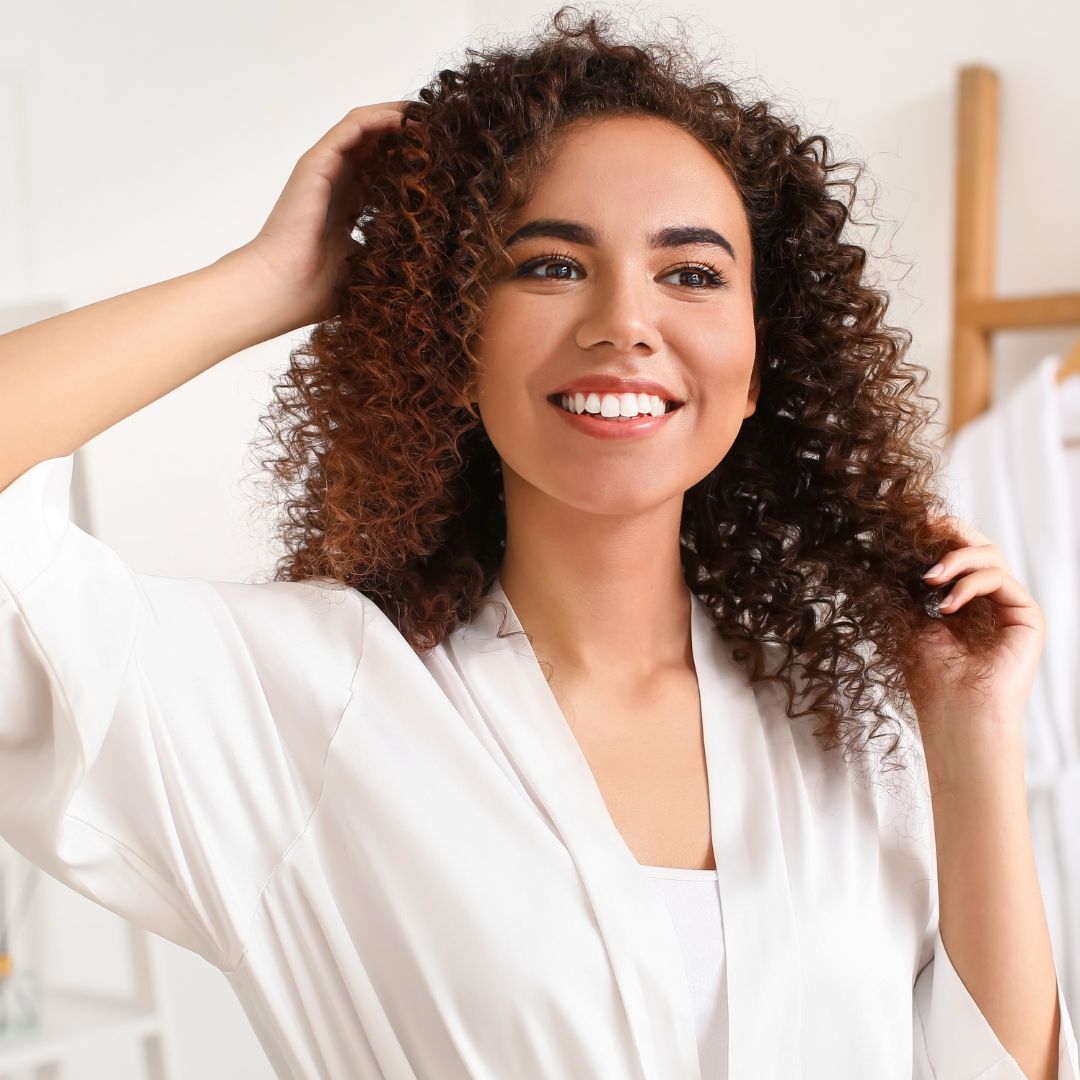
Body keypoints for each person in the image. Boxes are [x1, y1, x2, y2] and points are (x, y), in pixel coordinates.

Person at [0, 6, 1076, 1078]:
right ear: (451, 334)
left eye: (692, 274)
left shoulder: (846, 724)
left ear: (760, 368)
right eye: (551, 265)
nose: (626, 320)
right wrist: (269, 281)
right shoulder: (304, 701)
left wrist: (971, 734)